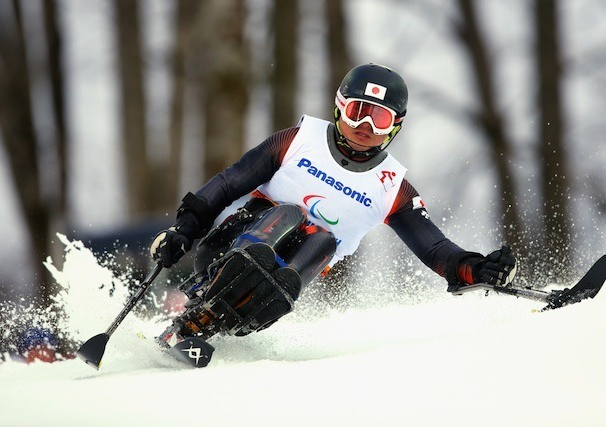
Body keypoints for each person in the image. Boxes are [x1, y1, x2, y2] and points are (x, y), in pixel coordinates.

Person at [150, 63, 517, 348]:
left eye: (380, 118)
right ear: (340, 108)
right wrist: (184, 229)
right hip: (227, 250)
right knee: (291, 214)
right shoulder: (296, 141)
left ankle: (213, 325)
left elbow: (435, 248)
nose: (365, 125)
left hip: (279, 284)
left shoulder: (392, 188)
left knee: (323, 240)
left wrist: (476, 269)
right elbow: (229, 183)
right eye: (358, 110)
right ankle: (203, 305)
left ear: (395, 127)